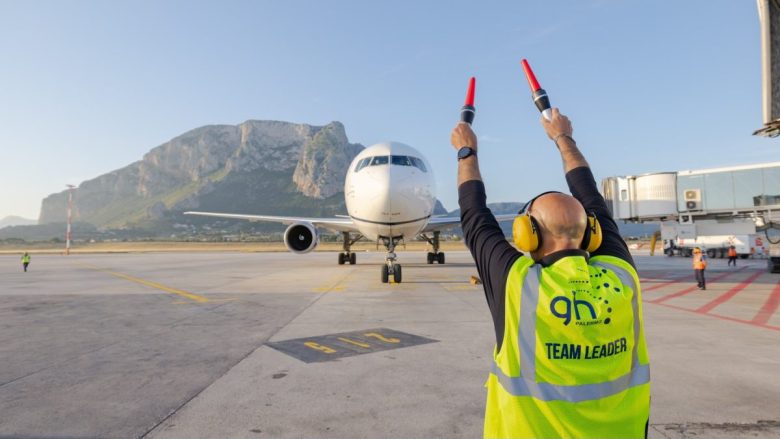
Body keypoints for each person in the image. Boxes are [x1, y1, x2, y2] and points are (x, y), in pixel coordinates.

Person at [452, 107, 650, 438]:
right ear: (592, 232)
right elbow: (592, 197)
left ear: (525, 233)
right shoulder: (622, 276)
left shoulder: (518, 283)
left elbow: (473, 213)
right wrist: (562, 136)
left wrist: (466, 150)